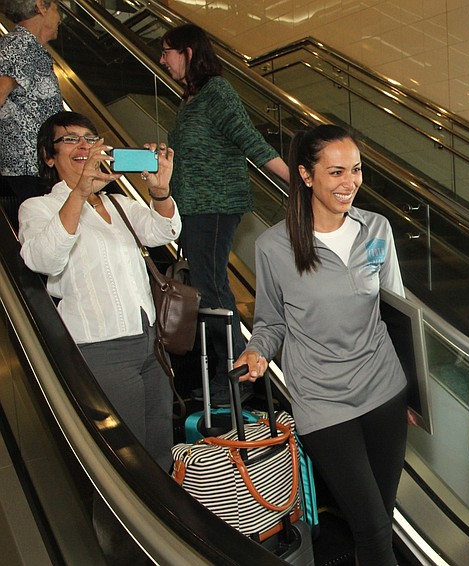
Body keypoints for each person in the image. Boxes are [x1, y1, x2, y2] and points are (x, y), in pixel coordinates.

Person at [235, 124, 407, 566]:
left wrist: (413, 394)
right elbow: (271, 320)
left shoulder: (377, 229)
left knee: (379, 523)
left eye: (356, 170)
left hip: (384, 390)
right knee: (369, 525)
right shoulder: (274, 246)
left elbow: (395, 312)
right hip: (324, 402)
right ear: (306, 176)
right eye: (335, 172)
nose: (349, 182)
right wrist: (257, 350)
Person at [19, 111, 180, 472]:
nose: (84, 146)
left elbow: (163, 231)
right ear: (49, 156)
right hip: (99, 349)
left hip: (150, 343)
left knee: (159, 449)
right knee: (123, 460)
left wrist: (160, 192)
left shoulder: (119, 203)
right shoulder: (38, 208)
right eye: (70, 139)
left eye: (90, 139)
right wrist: (79, 192)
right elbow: (42, 259)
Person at [159, 23, 290, 407]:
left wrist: (302, 183)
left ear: (187, 51)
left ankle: (236, 375)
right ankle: (227, 370)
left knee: (213, 291)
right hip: (194, 210)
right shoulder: (192, 98)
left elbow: (251, 141)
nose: (162, 60)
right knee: (208, 291)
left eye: (167, 51)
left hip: (214, 208)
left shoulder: (217, 91)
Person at [0, 0, 64, 230]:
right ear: (41, 6)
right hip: (28, 166)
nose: (60, 17)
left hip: (38, 165)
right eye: (57, 8)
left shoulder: (31, 49)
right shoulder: (19, 46)